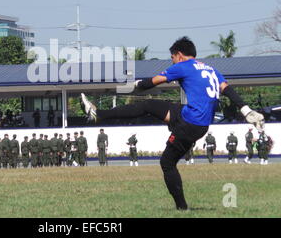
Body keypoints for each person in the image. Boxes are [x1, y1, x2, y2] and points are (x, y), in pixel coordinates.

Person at [81, 36, 265, 210]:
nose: (172, 62)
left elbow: (153, 82)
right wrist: (246, 110)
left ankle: (182, 208)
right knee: (148, 105)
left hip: (189, 123)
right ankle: (99, 114)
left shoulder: (183, 66)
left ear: (179, 54)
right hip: (196, 120)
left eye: (172, 58)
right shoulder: (211, 70)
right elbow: (227, 90)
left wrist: (136, 84)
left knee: (167, 163)